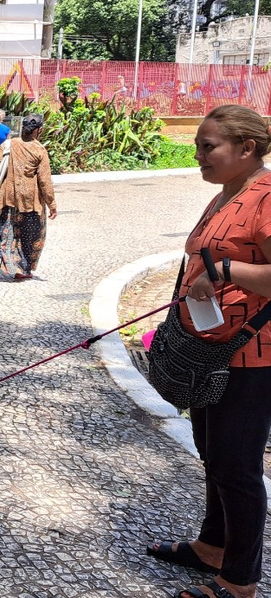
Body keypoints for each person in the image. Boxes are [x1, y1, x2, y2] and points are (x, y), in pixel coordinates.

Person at [145, 104, 271, 598]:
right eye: (197, 145)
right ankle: (212, 546)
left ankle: (240, 581)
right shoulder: (228, 192)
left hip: (252, 355)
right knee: (214, 454)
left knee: (237, 465)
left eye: (208, 146)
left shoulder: (265, 196)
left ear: (247, 148)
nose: (198, 155)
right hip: (211, 348)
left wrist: (225, 272)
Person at [0, 114, 56, 281]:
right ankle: (22, 270)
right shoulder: (39, 150)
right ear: (38, 130)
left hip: (8, 196)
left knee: (6, 229)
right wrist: (52, 204)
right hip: (29, 201)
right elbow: (44, 180)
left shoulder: (9, 144)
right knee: (29, 235)